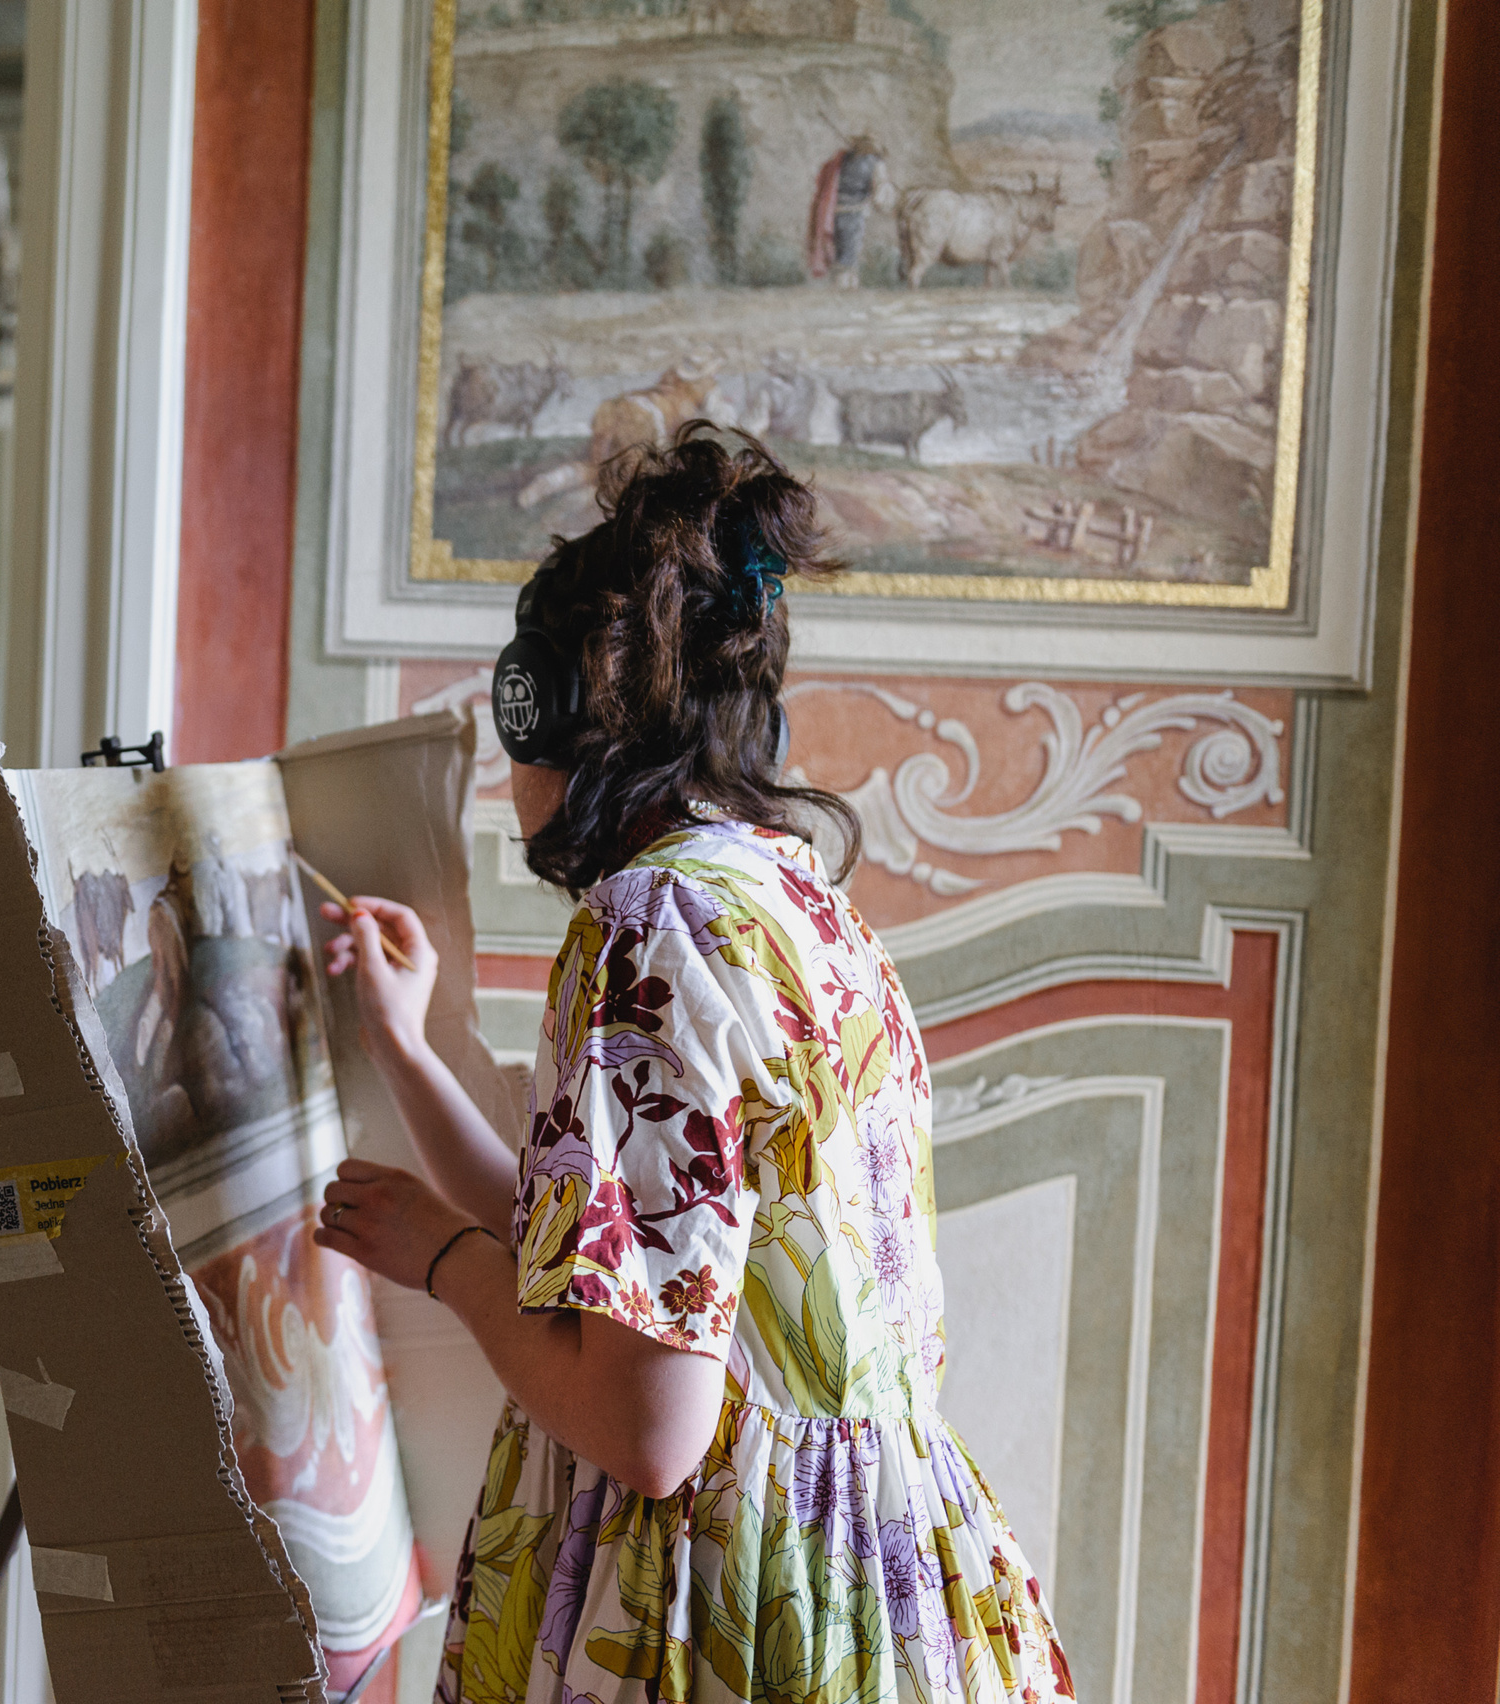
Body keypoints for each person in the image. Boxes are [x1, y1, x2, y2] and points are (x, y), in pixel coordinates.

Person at [312, 427, 1076, 1703]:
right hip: (871, 1580)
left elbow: (647, 1431)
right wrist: (402, 1038)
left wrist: (440, 1265)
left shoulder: (643, 932)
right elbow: (609, 1257)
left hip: (721, 1604)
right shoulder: (789, 900)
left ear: (551, 706)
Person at [807, 135, 893, 288]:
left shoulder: (842, 161)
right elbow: (880, 197)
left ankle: (843, 287)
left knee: (839, 253)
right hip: (854, 213)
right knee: (848, 256)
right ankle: (845, 290)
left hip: (832, 214)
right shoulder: (874, 163)